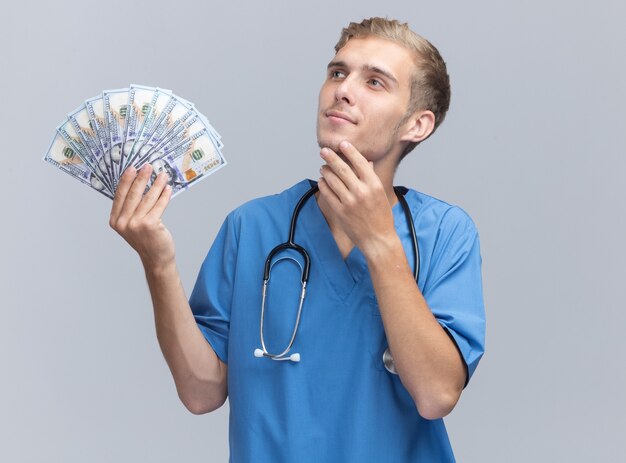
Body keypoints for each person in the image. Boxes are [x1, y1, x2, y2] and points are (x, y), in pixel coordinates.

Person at [109, 17, 485, 462]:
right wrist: (158, 262)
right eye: (337, 72)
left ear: (417, 125)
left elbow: (436, 395)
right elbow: (201, 391)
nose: (342, 90)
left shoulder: (445, 233)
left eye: (376, 82)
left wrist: (380, 242)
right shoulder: (252, 226)